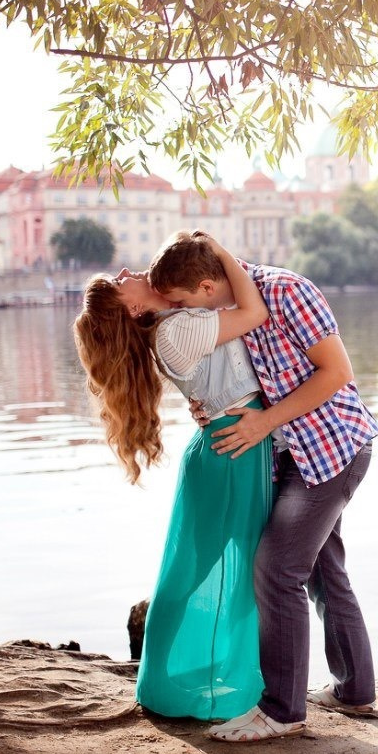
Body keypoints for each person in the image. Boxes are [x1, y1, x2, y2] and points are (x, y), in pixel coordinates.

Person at [149, 231, 378, 743]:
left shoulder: (285, 290)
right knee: (323, 571)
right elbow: (235, 378)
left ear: (208, 286)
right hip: (287, 455)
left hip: (330, 448)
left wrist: (263, 422)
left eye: (184, 302)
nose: (180, 312)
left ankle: (281, 710)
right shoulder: (226, 312)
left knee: (276, 570)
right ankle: (355, 691)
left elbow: (337, 371)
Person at [72, 237, 273, 723]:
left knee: (218, 567)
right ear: (134, 308)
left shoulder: (178, 322)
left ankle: (204, 673)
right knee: (207, 570)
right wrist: (221, 251)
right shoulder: (177, 330)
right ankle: (168, 679)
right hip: (233, 448)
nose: (124, 271)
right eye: (118, 284)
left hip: (233, 442)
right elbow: (255, 313)